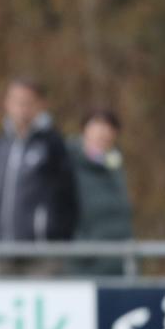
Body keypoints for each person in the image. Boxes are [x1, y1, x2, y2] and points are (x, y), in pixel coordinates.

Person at [0, 78, 77, 275]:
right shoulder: (0, 144)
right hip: (4, 250)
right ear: (7, 104)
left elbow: (69, 196)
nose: (21, 108)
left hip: (43, 254)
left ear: (40, 105)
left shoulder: (53, 144)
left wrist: (55, 234)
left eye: (27, 102)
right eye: (16, 101)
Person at [67, 109, 133, 276]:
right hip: (82, 262)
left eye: (108, 128)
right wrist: (81, 248)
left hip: (117, 260)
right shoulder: (67, 165)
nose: (102, 133)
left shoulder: (116, 167)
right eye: (96, 126)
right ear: (84, 130)